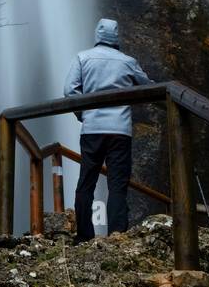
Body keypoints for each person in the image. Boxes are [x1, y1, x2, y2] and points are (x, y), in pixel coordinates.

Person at [63, 18, 151, 242]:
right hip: (119, 130)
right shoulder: (128, 61)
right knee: (117, 184)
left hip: (92, 129)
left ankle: (84, 235)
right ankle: (117, 234)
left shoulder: (83, 58)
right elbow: (148, 86)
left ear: (97, 37)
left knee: (86, 182)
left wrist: (84, 115)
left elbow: (70, 91)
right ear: (116, 38)